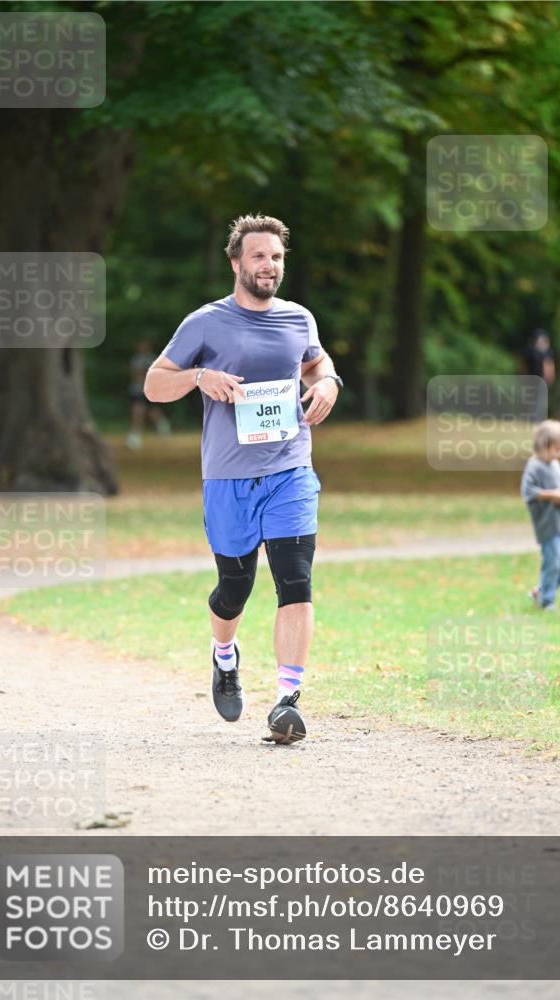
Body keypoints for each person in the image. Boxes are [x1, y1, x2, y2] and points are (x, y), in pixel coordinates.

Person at [144, 214, 342, 744]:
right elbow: (153, 385)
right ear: (236, 262)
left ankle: (286, 701)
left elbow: (318, 366)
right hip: (228, 477)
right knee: (235, 588)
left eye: (276, 257)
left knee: (295, 581)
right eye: (258, 256)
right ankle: (225, 655)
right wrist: (198, 377)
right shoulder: (205, 323)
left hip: (290, 469)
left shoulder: (299, 319)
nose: (268, 266)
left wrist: (329, 384)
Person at [520, 420, 560, 610]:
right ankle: (548, 600)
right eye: (556, 450)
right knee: (553, 562)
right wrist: (551, 495)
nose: (559, 455)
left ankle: (541, 590)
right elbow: (527, 491)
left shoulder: (554, 464)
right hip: (548, 525)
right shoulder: (534, 466)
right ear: (543, 446)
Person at [127, 339, 171, 449]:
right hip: (138, 390)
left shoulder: (153, 358)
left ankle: (162, 426)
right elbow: (136, 375)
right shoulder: (136, 358)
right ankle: (136, 435)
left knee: (152, 410)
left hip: (150, 389)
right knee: (138, 410)